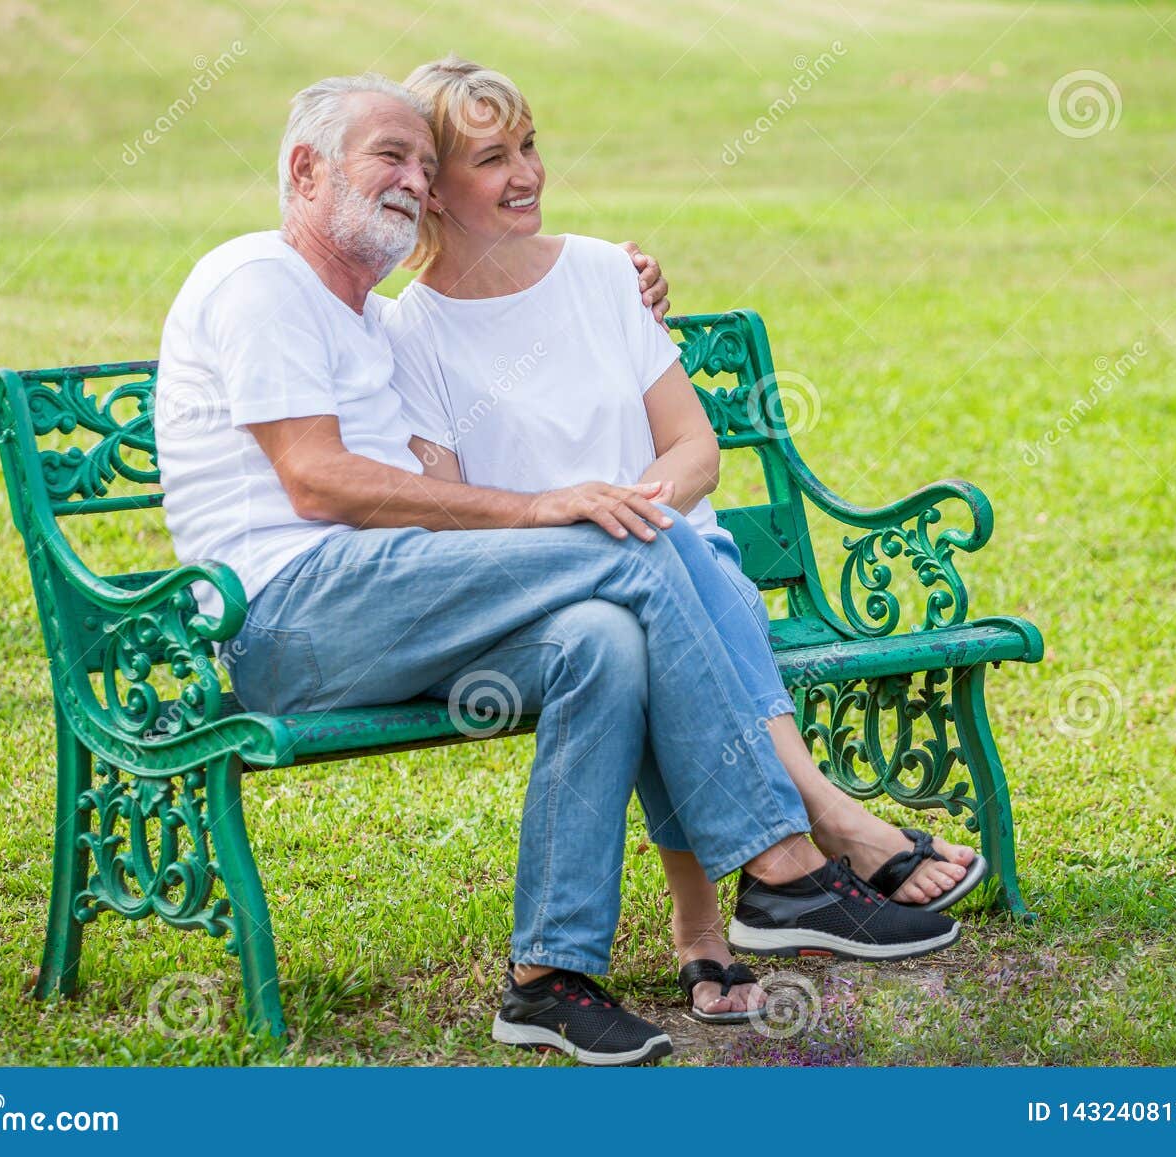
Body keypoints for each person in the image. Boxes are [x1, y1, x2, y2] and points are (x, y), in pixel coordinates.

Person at [153, 73, 960, 1066]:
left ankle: (547, 975)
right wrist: (542, 507)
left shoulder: (361, 313)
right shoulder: (258, 279)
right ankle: (786, 858)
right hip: (291, 614)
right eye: (389, 160)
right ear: (303, 168)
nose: (409, 180)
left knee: (602, 642)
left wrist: (607, 281)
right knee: (637, 537)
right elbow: (316, 480)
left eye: (419, 161)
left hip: (385, 607)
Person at [381, 56, 988, 1023]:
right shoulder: (412, 332)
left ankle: (725, 922)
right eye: (492, 158)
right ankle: (810, 837)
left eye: (530, 145)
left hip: (669, 549)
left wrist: (640, 510)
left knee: (675, 587)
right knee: (666, 600)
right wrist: (590, 522)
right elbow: (450, 505)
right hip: (549, 582)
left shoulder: (599, 273)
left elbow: (694, 445)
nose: (526, 172)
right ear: (434, 190)